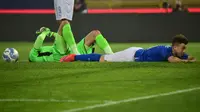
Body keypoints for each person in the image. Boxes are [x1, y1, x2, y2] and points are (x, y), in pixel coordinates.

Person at [60, 34, 196, 63]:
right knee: (103, 59)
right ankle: (74, 57)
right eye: (182, 48)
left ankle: (75, 57)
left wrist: (190, 59)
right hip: (131, 55)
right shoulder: (166, 51)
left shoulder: (174, 51)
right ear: (175, 46)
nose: (183, 51)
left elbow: (187, 57)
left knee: (106, 58)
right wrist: (188, 61)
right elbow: (173, 60)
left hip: (137, 51)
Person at [29, 27, 113, 62]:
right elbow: (40, 38)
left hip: (69, 50)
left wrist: (50, 33)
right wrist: (45, 32)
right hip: (60, 56)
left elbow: (58, 38)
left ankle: (112, 56)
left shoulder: (37, 53)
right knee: (63, 24)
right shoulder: (32, 56)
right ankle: (77, 54)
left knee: (96, 33)